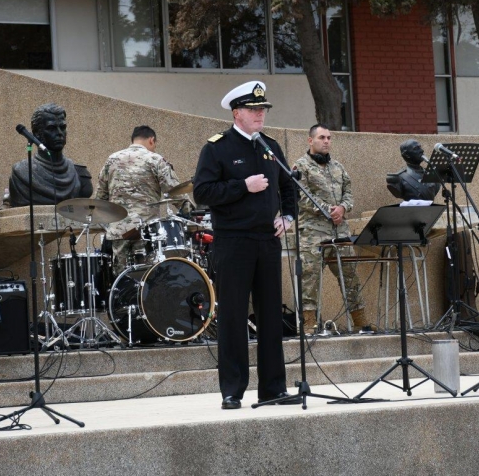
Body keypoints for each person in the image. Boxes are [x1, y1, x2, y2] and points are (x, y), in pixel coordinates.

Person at [193, 80, 298, 409]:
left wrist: (289, 216)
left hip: (267, 241)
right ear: (237, 113)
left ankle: (273, 389)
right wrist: (243, 186)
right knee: (234, 318)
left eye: (263, 109)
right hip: (233, 242)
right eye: (253, 110)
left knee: (270, 317)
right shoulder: (217, 147)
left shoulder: (269, 146)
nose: (260, 115)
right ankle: (232, 390)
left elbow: (289, 186)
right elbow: (203, 192)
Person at [292, 124, 372, 334]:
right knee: (310, 279)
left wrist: (344, 208)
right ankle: (309, 325)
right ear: (310, 140)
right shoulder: (300, 167)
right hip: (313, 234)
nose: (326, 141)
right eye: (321, 137)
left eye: (329, 137)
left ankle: (360, 323)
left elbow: (349, 194)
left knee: (350, 277)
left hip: (340, 232)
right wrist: (330, 210)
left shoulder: (338, 167)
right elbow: (302, 197)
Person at [95, 125, 189, 274]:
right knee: (146, 277)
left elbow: (100, 198)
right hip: (146, 231)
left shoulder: (111, 160)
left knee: (122, 280)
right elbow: (176, 193)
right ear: (151, 140)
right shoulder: (155, 160)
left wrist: (108, 226)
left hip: (118, 232)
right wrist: (191, 213)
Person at [8, 103, 93, 207]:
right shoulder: (22, 173)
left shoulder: (80, 174)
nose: (59, 133)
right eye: (52, 128)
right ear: (37, 133)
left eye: (62, 127)